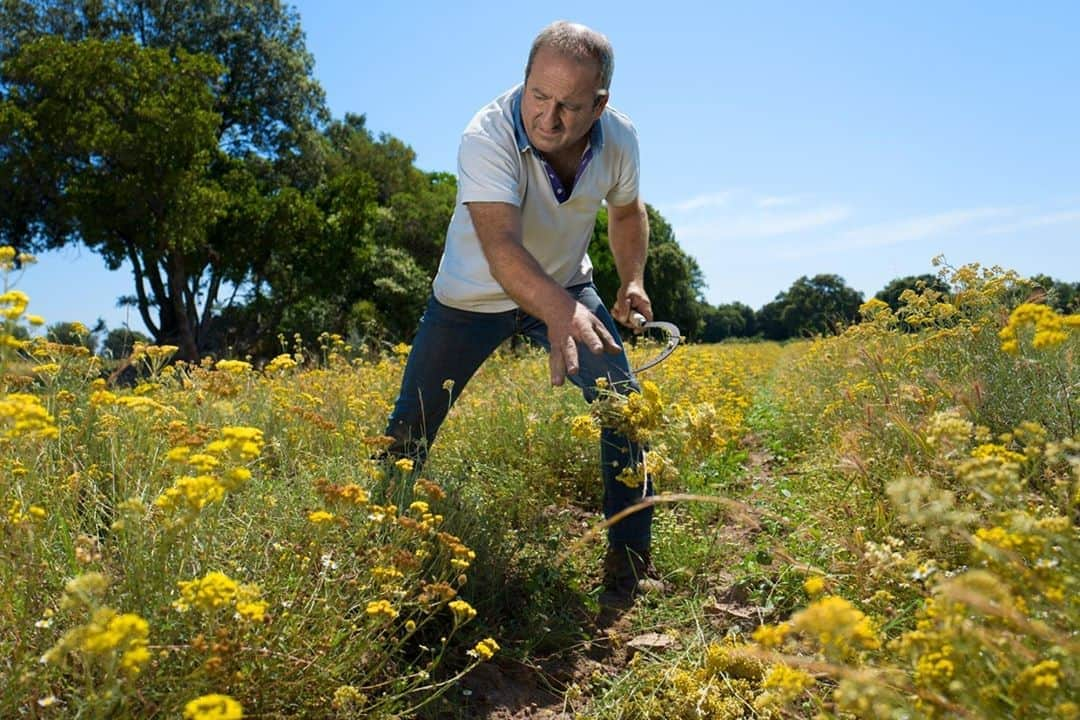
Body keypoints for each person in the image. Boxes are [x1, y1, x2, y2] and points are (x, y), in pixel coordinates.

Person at [382, 20, 659, 606]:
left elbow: (628, 214)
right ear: (524, 79)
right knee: (411, 426)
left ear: (600, 105)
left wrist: (631, 279)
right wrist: (560, 312)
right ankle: (377, 545)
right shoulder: (486, 136)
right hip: (470, 299)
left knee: (623, 404)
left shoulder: (621, 139)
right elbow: (502, 249)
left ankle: (630, 559)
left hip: (563, 284)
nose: (548, 118)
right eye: (538, 95)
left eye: (569, 105)